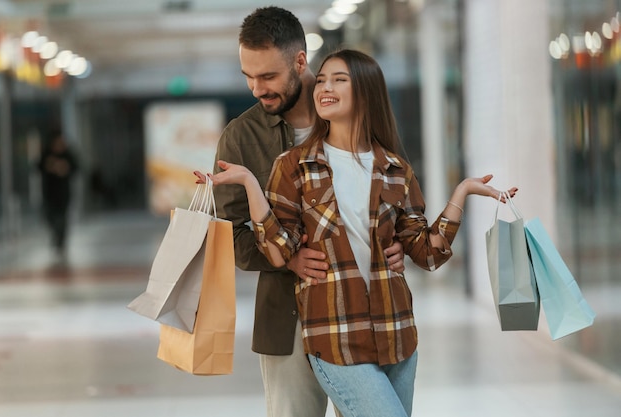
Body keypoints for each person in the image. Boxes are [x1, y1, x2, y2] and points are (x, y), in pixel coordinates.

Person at [195, 49, 518, 416]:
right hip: (334, 337)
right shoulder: (294, 166)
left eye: (338, 80)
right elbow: (278, 250)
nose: (324, 88)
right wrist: (252, 185)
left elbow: (427, 254)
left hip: (397, 336)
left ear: (365, 91)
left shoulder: (396, 169)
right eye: (321, 81)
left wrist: (460, 194)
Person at [212, 7, 405, 417]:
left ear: (300, 61)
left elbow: (393, 192)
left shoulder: (356, 117)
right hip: (287, 318)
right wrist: (289, 260)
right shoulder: (240, 138)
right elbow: (230, 234)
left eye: (267, 77)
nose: (255, 88)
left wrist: (398, 242)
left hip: (364, 310)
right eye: (248, 76)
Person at [37, 129, 78, 255]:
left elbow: (76, 168)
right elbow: (38, 167)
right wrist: (50, 166)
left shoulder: (68, 154)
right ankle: (56, 236)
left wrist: (64, 167)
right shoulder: (47, 153)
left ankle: (60, 241)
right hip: (49, 193)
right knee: (49, 216)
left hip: (63, 193)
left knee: (62, 219)